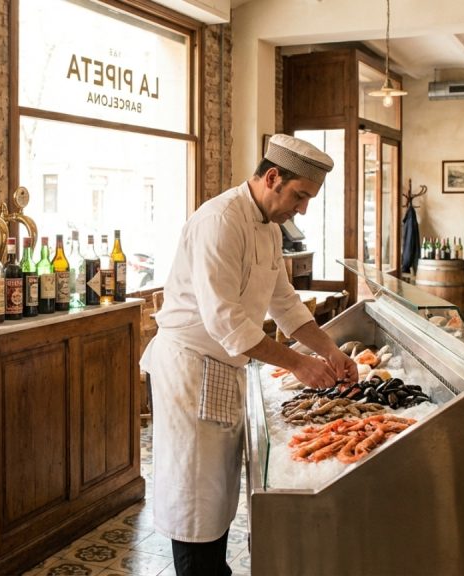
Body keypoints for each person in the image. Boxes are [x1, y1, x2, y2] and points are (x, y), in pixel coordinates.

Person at [140, 133, 358, 575]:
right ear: (272, 177)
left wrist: (330, 350)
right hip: (191, 370)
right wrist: (299, 364)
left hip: (224, 367)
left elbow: (285, 301)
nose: (302, 209)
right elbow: (226, 322)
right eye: (300, 196)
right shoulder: (219, 220)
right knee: (195, 497)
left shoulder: (269, 230)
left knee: (216, 494)